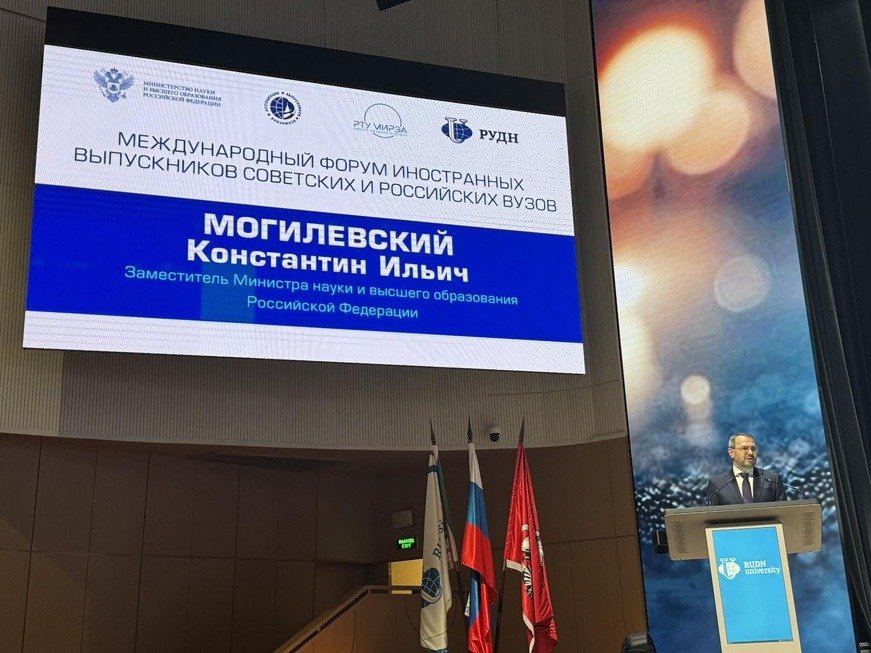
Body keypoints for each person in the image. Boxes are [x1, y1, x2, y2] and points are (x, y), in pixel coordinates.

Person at [706, 433, 786, 505]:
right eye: (744, 448)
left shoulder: (772, 479)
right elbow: (712, 515)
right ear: (731, 452)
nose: (750, 452)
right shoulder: (717, 484)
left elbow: (784, 512)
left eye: (753, 449)